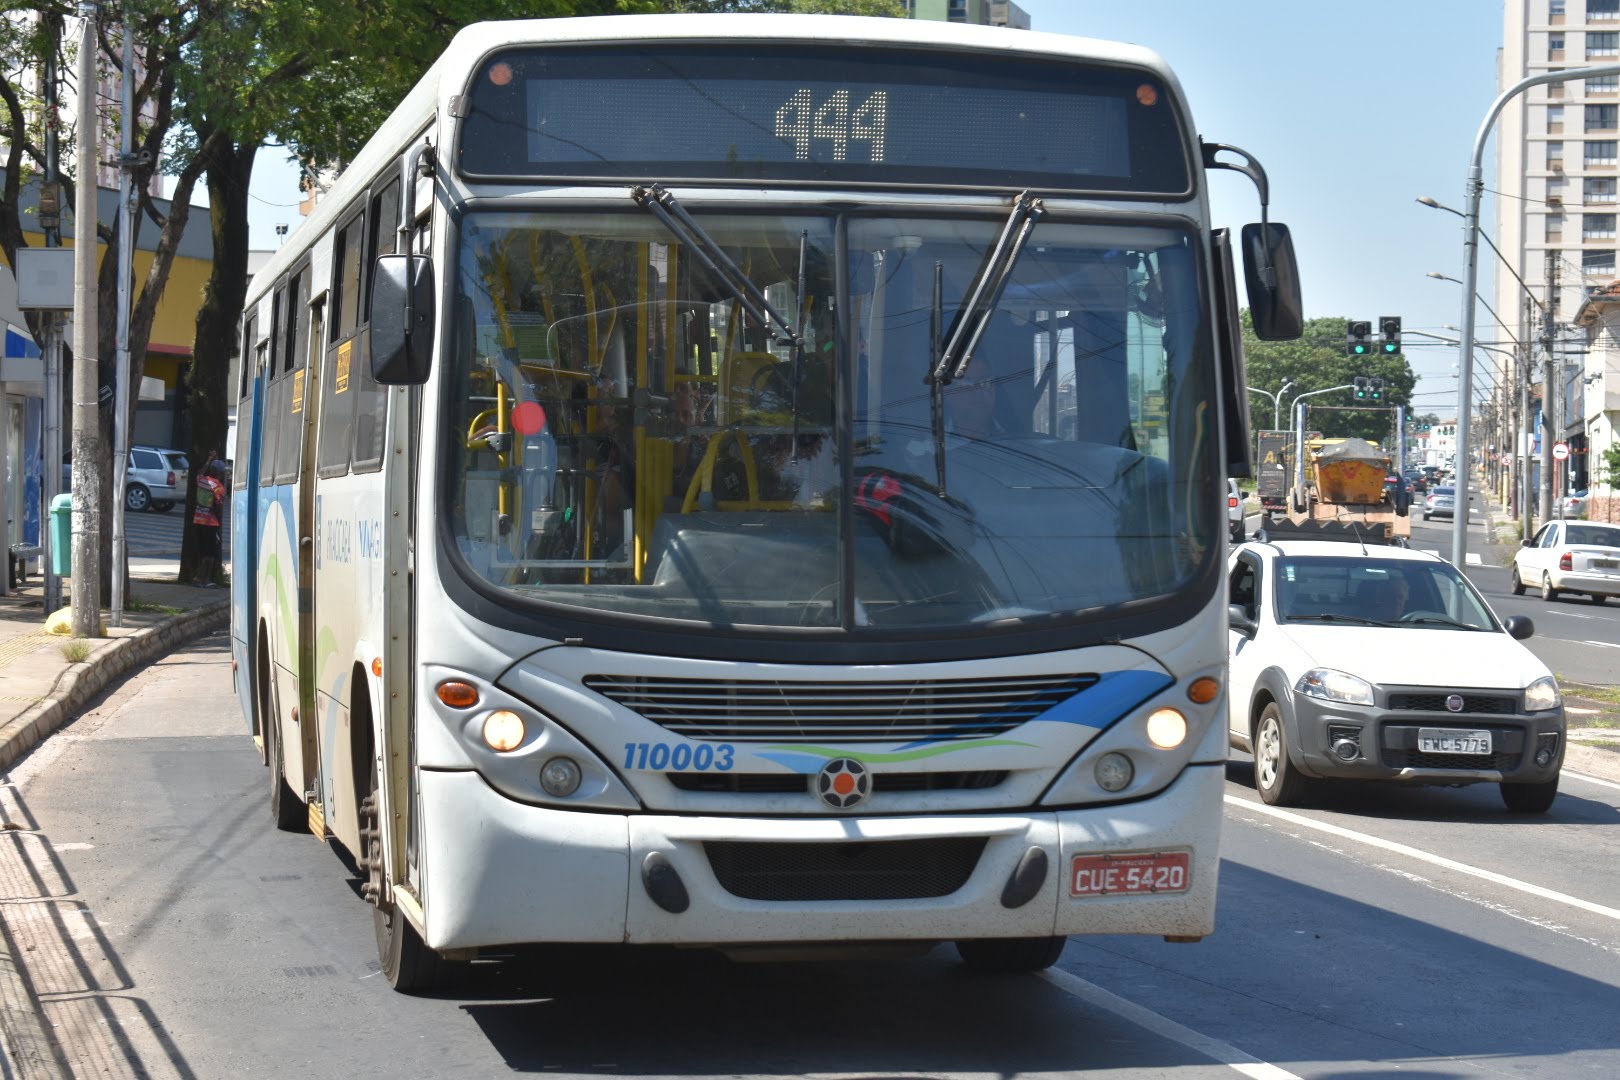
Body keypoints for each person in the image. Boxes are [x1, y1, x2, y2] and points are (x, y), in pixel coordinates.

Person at [192, 462, 227, 587]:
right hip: (211, 523)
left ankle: (201, 579)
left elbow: (199, 473)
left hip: (198, 520)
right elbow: (219, 507)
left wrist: (208, 460)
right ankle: (202, 579)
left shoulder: (202, 480)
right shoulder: (219, 487)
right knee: (211, 554)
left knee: (204, 552)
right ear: (220, 473)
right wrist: (220, 523)